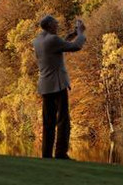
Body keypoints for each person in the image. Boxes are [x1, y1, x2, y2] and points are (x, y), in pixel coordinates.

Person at [32, 14, 86, 160]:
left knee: (48, 122)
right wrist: (80, 33)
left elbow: (59, 45)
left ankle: (46, 155)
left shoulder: (38, 41)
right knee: (63, 120)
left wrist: (72, 34)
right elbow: (76, 46)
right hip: (57, 84)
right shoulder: (53, 40)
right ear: (50, 25)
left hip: (44, 85)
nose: (58, 25)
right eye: (56, 23)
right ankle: (61, 153)